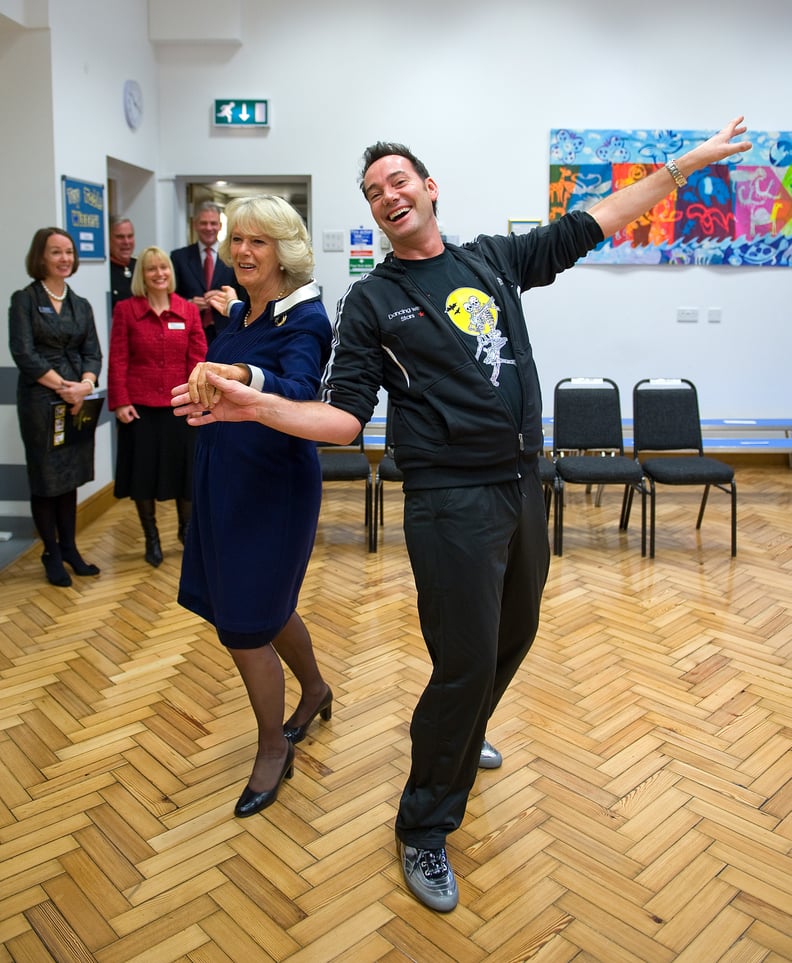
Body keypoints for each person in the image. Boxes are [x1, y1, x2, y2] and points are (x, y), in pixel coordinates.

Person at [173, 117, 752, 911]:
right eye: (374, 193)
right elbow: (343, 419)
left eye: (398, 182)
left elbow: (602, 218)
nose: (386, 197)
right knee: (465, 661)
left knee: (516, 634)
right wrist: (258, 406)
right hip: (448, 502)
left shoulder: (493, 259)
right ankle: (423, 824)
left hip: (522, 484)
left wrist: (682, 166)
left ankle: (463, 727)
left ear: (429, 187)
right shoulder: (374, 301)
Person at [177, 194, 333, 819]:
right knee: (261, 607)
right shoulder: (242, 313)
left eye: (257, 242)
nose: (241, 251)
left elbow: (300, 390)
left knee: (245, 628)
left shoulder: (306, 318)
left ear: (284, 251)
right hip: (224, 478)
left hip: (272, 487)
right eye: (236, 240)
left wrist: (240, 372)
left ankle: (273, 748)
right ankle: (316, 689)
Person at [9, 227, 103, 588]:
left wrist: (86, 384)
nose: (64, 258)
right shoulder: (25, 300)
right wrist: (63, 386)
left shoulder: (81, 304)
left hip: (78, 398)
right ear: (41, 257)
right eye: (56, 252)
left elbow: (92, 351)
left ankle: (70, 548)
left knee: (71, 476)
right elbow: (24, 353)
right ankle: (50, 552)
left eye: (68, 252)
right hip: (41, 400)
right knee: (46, 478)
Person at [108, 247, 207, 566]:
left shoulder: (188, 310)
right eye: (151, 269)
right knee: (143, 477)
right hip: (140, 409)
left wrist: (197, 399)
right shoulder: (126, 310)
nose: (159, 273)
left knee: (185, 475)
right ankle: (151, 539)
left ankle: (186, 532)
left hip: (180, 405)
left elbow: (198, 358)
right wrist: (120, 401)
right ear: (143, 275)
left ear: (171, 271)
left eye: (163, 267)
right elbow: (119, 357)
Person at [171, 201, 239, 343]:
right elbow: (169, 296)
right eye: (203, 223)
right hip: (189, 332)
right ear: (195, 225)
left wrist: (226, 298)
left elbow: (245, 296)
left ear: (220, 226)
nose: (209, 228)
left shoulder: (234, 256)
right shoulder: (179, 257)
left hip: (226, 332)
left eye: (213, 223)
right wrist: (188, 304)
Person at [109, 215, 137, 307]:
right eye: (120, 237)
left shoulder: (140, 266)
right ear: (108, 239)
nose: (126, 242)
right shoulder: (105, 271)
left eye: (130, 236)